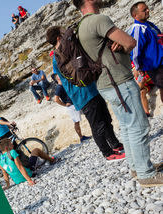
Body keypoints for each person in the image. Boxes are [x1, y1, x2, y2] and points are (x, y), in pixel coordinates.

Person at [73, 0, 162, 186]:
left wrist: (119, 45)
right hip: (118, 81)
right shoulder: (98, 19)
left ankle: (136, 167)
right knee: (139, 126)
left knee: (129, 127)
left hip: (106, 84)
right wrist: (123, 45)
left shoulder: (81, 25)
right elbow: (130, 41)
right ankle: (146, 174)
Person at [47, 26, 126, 162]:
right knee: (97, 124)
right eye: (62, 33)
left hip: (91, 88)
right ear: (59, 37)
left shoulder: (66, 52)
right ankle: (107, 153)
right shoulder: (58, 57)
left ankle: (115, 144)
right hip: (82, 94)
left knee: (106, 118)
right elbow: (60, 78)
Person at [128, 1, 163, 104]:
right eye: (144, 10)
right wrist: (138, 68)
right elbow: (135, 52)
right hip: (155, 66)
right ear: (135, 15)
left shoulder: (148, 24)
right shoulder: (138, 30)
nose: (148, 10)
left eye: (147, 8)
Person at [51, 74, 91, 143]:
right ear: (57, 78)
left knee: (89, 114)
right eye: (58, 75)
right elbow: (56, 99)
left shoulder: (65, 83)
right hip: (71, 106)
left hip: (76, 102)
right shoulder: (59, 87)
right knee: (76, 122)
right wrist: (64, 104)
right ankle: (81, 138)